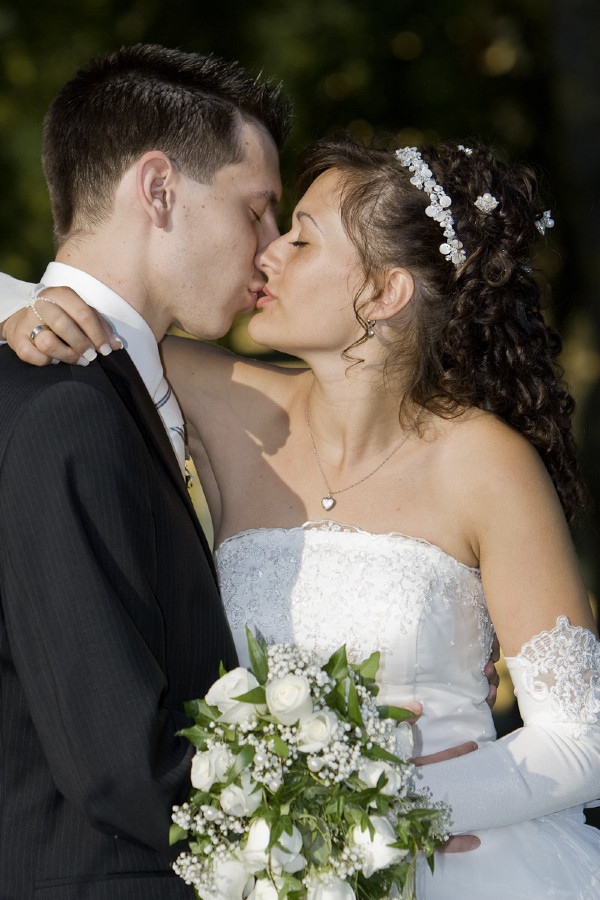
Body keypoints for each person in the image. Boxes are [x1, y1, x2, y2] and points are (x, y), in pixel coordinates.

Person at [2, 135, 597, 896]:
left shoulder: (485, 463)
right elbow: (75, 304)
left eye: (302, 238)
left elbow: (581, 739)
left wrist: (379, 801)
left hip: (466, 865)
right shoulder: (219, 399)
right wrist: (28, 314)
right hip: (273, 873)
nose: (267, 255)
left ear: (385, 294)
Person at [0, 43, 291, 899]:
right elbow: (116, 762)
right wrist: (314, 833)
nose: (270, 251)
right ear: (159, 189)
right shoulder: (63, 407)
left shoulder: (120, 385)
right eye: (258, 210)